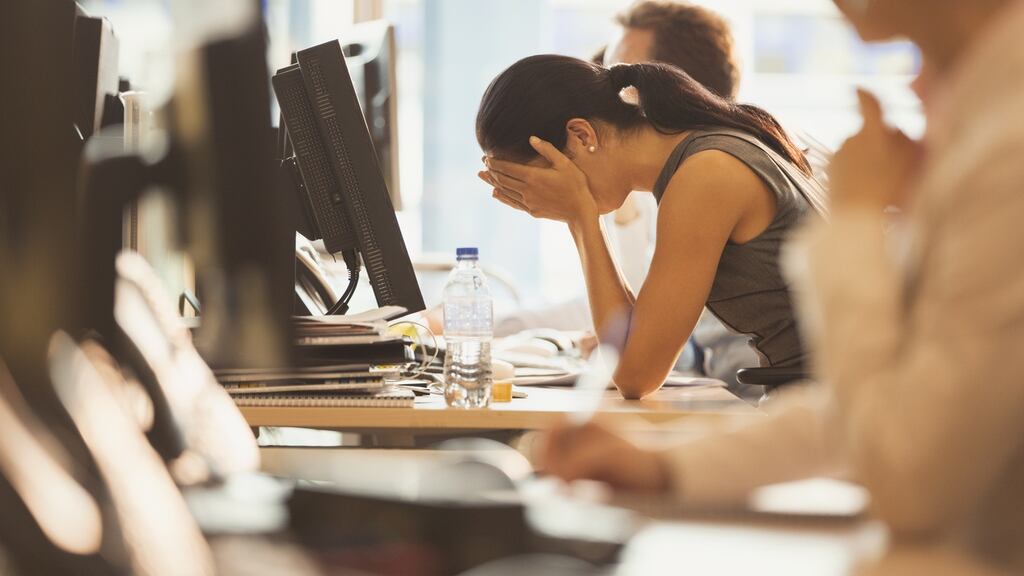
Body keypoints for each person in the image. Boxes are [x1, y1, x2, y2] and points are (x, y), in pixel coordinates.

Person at [541, 0, 1024, 572]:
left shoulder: (1006, 147)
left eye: (929, 60)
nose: (917, 86)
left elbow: (907, 472)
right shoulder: (983, 119)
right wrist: (662, 467)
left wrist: (856, 219)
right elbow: (862, 408)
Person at [477, 55, 827, 399]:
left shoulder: (706, 174)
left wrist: (579, 216)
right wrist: (579, 214)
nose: (545, 197)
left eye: (546, 179)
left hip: (824, 405)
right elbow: (632, 341)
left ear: (581, 135)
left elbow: (635, 375)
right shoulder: (703, 155)